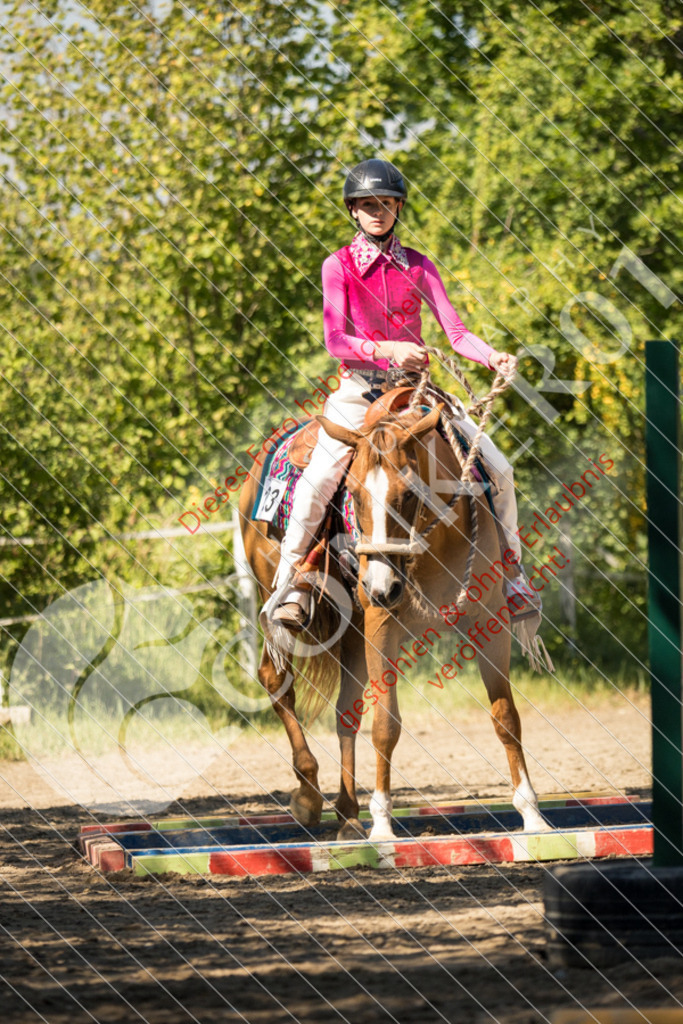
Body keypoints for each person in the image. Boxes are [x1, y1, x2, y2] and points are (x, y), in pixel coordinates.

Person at [269, 158, 540, 631]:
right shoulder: (337, 266)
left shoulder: (419, 264)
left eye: (386, 204)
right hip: (358, 390)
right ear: (353, 211)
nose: (377, 212)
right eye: (367, 205)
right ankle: (289, 583)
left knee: (499, 468)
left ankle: (513, 573)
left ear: (398, 208)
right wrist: (388, 349)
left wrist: (492, 355)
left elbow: (455, 334)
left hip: (414, 396)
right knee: (317, 483)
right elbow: (335, 340)